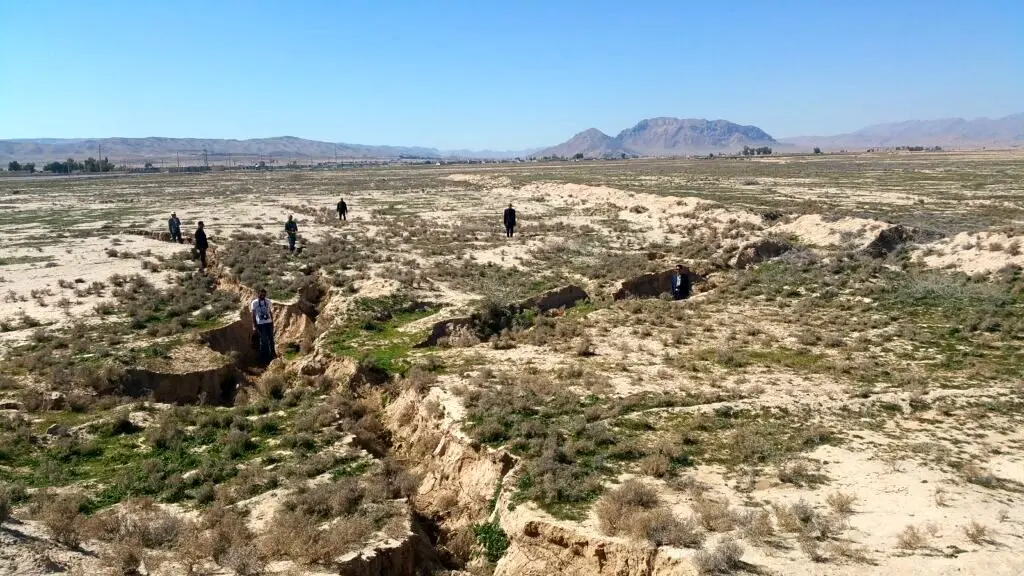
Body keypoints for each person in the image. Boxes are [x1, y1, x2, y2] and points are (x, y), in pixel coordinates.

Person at [250, 288, 276, 364]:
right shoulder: (254, 303)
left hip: (269, 323)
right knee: (263, 340)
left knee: (271, 339)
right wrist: (254, 326)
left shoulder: (268, 301)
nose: (263, 296)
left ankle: (273, 354)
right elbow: (253, 315)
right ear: (258, 294)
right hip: (260, 324)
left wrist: (273, 322)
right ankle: (264, 357)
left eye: (264, 294)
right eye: (261, 294)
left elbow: (270, 312)